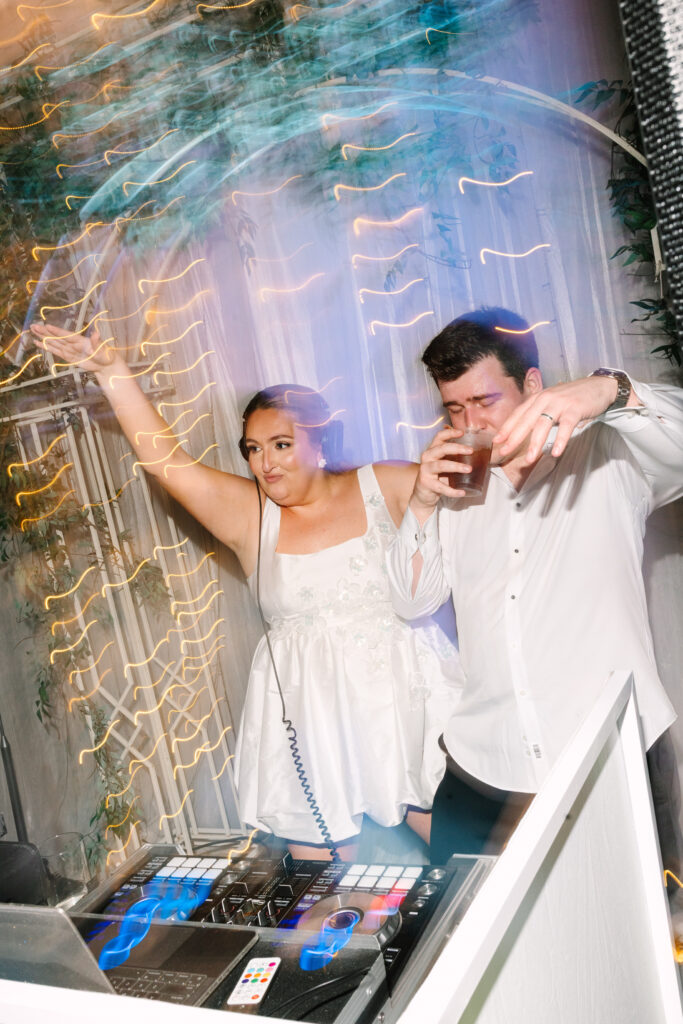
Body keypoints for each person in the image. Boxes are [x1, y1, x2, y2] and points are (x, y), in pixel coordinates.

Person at [31, 321, 463, 861]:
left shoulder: (392, 483)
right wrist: (113, 372)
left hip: (409, 702)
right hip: (314, 721)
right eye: (253, 449)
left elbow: (464, 549)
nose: (266, 463)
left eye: (282, 444)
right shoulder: (252, 516)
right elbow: (168, 463)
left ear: (320, 439)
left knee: (466, 857)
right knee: (326, 893)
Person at [385, 307, 683, 868]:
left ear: (533, 385)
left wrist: (610, 391)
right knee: (468, 939)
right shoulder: (455, 486)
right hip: (486, 770)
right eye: (454, 408)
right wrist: (422, 503)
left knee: (649, 942)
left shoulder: (612, 454)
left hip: (611, 757)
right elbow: (412, 601)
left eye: (486, 401)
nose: (472, 423)